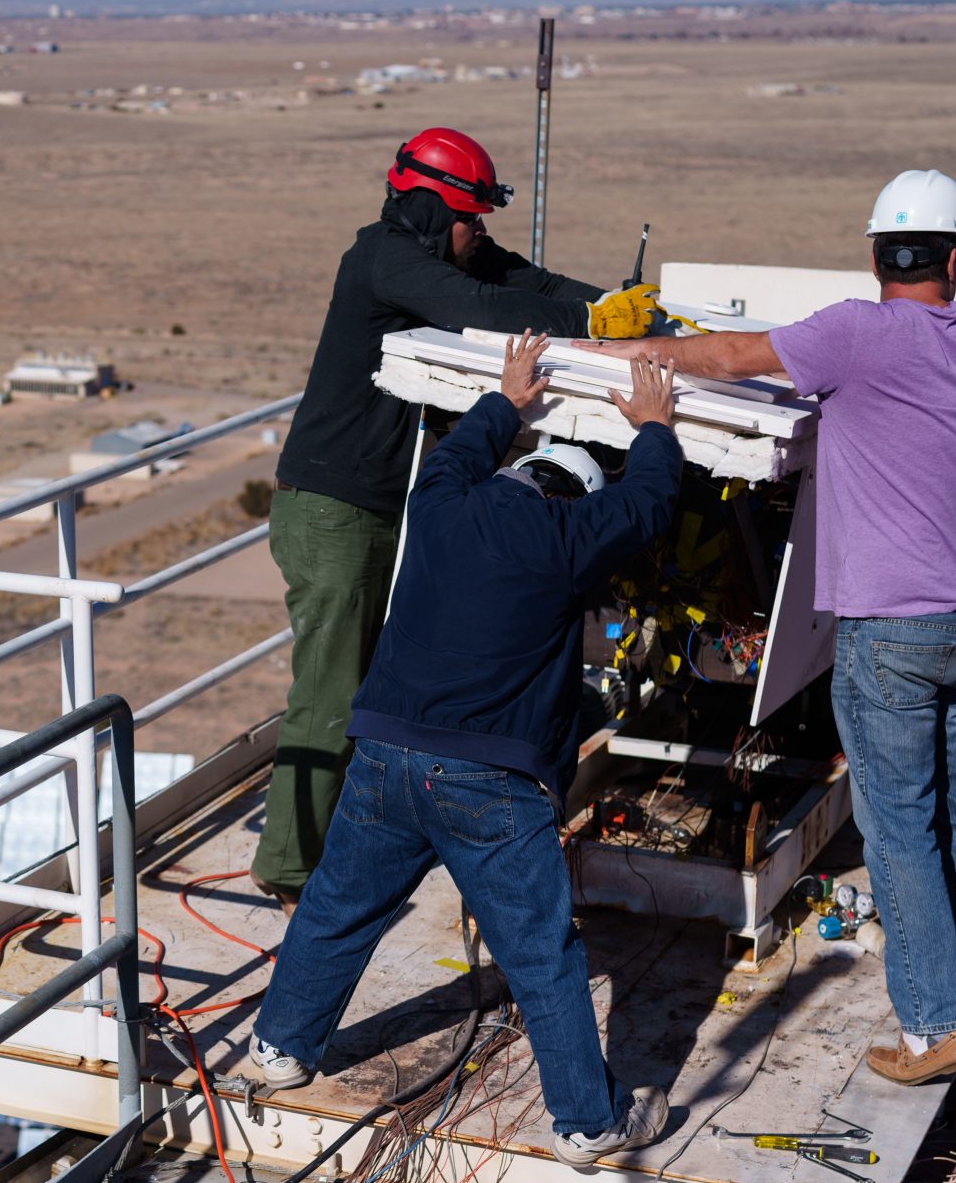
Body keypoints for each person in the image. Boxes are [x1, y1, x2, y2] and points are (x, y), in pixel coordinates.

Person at [249, 332, 683, 1169]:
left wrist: (506, 398)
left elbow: (454, 454)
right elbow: (647, 508)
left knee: (338, 907)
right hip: (490, 780)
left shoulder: (441, 502)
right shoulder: (567, 537)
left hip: (383, 754)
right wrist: (655, 428)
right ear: (570, 497)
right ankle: (588, 1124)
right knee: (542, 955)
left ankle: (279, 1049)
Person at [621, 170, 956, 1083]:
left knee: (901, 830)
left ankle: (933, 1028)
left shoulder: (853, 332)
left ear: (876, 254)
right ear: (955, 258)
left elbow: (725, 358)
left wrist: (637, 359)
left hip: (893, 632)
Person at [253, 127, 661, 910]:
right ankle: (289, 869)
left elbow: (527, 280)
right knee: (333, 689)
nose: (483, 236)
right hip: (332, 509)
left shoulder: (442, 252)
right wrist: (594, 322)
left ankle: (344, 838)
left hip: (380, 509)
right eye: (473, 220)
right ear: (437, 215)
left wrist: (614, 308)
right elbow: (480, 305)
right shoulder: (387, 260)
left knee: (373, 683)